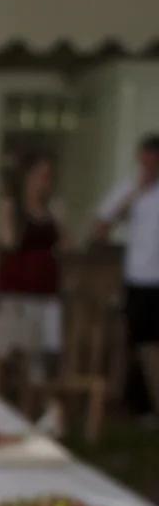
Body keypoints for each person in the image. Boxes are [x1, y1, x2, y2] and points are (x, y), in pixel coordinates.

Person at [94, 133, 159, 414]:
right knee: (139, 343)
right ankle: (139, 405)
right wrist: (135, 195)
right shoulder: (130, 188)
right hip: (139, 279)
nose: (146, 167)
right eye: (143, 161)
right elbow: (101, 226)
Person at [0, 150, 69, 296]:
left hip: (46, 284)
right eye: (42, 176)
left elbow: (66, 248)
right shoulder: (13, 207)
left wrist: (60, 221)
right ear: (28, 176)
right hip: (18, 284)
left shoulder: (52, 211)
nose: (46, 183)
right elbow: (8, 243)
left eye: (49, 177)